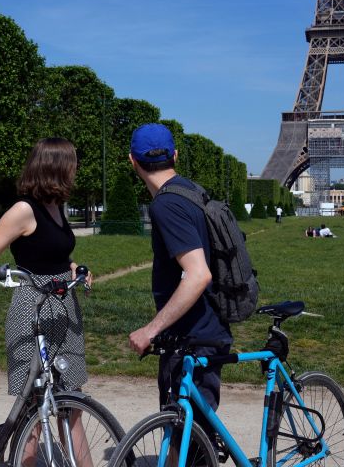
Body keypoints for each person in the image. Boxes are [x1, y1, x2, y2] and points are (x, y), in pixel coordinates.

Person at [0, 137, 92, 463]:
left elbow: (51, 253)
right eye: (72, 163)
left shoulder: (56, 207)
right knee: (33, 413)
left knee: (71, 406)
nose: (75, 169)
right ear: (55, 166)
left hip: (65, 310)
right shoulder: (24, 210)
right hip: (32, 310)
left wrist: (72, 268)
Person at [125, 123, 231, 449]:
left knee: (186, 441)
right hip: (207, 328)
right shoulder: (190, 191)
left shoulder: (166, 204)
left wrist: (151, 330)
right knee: (189, 440)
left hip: (191, 338)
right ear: (175, 155)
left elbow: (198, 274)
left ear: (133, 161)